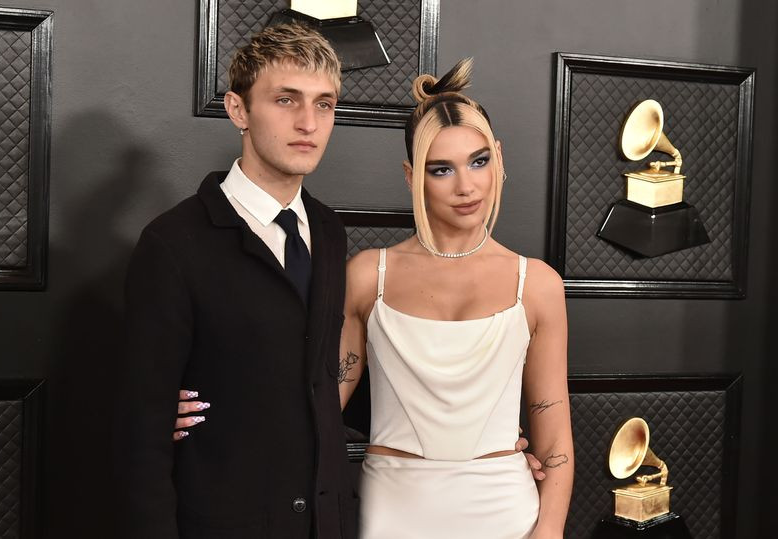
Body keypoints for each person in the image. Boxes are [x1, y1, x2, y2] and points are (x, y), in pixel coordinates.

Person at [116, 24, 358, 538]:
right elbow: (142, 430)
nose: (308, 122)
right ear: (237, 109)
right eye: (286, 100)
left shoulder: (330, 231)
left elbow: (321, 376)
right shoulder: (173, 243)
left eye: (324, 104)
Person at [338, 59, 574, 538]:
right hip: (393, 510)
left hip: (505, 510)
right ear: (411, 176)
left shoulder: (538, 285)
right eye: (441, 169)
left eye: (479, 161)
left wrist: (548, 532)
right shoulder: (366, 277)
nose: (466, 186)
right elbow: (318, 406)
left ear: (499, 157)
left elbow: (554, 440)